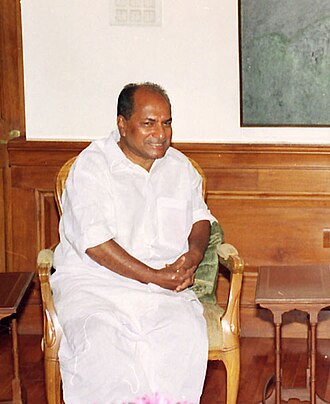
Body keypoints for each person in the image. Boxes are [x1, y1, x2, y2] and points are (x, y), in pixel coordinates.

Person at [51, 82, 213, 403]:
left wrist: (194, 255)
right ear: (122, 125)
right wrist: (154, 276)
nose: (161, 133)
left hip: (163, 291)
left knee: (183, 336)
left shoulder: (179, 167)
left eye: (167, 122)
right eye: (149, 123)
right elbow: (95, 244)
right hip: (97, 288)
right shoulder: (92, 167)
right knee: (103, 348)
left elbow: (200, 218)